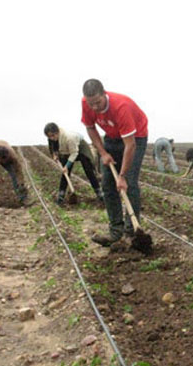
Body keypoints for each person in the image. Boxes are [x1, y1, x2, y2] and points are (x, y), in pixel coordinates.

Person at [81, 79, 149, 247]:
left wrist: (123, 175)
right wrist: (103, 153)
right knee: (107, 184)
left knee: (129, 184)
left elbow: (130, 145)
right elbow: (90, 128)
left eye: (98, 102)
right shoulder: (86, 103)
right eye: (91, 104)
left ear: (105, 93)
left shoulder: (121, 107)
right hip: (111, 138)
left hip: (135, 138)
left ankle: (131, 232)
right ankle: (115, 232)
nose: (95, 107)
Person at [44, 122, 104, 204]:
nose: (51, 138)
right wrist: (54, 154)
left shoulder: (69, 138)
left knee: (88, 170)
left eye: (53, 135)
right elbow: (52, 147)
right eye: (49, 136)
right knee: (65, 173)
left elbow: (74, 153)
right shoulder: (52, 138)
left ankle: (99, 192)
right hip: (66, 151)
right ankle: (61, 195)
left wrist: (67, 166)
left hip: (80, 148)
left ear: (57, 132)